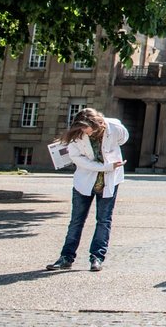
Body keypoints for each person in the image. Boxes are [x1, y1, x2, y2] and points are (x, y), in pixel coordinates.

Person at [46, 108, 128, 272]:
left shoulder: (114, 128)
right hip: (84, 181)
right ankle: (66, 257)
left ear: (96, 123)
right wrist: (105, 166)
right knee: (76, 221)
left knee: (104, 220)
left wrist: (110, 164)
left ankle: (97, 257)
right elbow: (78, 160)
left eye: (86, 127)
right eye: (81, 128)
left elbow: (124, 139)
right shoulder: (77, 136)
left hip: (109, 180)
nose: (85, 131)